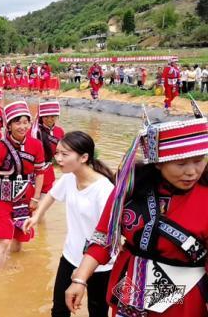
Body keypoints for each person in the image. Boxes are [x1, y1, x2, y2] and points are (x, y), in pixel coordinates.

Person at [65, 100, 208, 317]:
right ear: (158, 163)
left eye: (199, 161)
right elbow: (103, 238)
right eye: (180, 165)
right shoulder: (129, 190)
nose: (192, 172)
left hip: (184, 301)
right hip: (132, 292)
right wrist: (80, 279)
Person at [24, 131, 115, 317]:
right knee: (59, 310)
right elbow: (51, 195)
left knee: (98, 312)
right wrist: (36, 216)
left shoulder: (104, 190)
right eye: (57, 153)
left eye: (65, 154)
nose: (58, 159)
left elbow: (108, 234)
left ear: (84, 157)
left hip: (100, 264)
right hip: (70, 257)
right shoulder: (69, 178)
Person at [0, 100, 46, 267]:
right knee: (5, 239)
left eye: (25, 122)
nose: (22, 127)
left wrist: (36, 198)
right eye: (17, 123)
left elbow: (39, 173)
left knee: (18, 236)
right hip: (2, 196)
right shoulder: (0, 147)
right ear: (8, 126)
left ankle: (10, 266)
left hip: (25, 194)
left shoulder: (36, 145)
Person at [31, 100, 65, 195]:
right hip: (34, 171)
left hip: (49, 171)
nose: (50, 119)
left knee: (45, 200)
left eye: (53, 116)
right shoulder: (34, 132)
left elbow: (63, 150)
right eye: (46, 116)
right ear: (41, 117)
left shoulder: (59, 131)